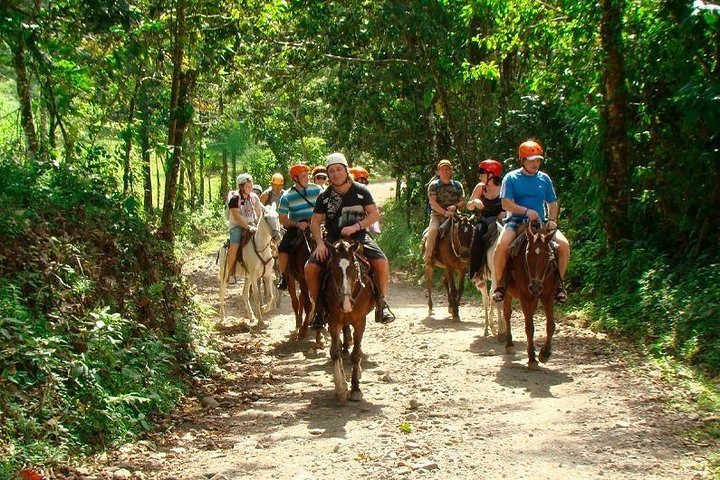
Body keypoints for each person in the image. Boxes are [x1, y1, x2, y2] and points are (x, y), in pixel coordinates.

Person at [305, 152, 395, 328]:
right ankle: (319, 308)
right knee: (310, 268)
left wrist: (356, 227)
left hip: (359, 239)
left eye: (339, 169)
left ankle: (381, 304)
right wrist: (321, 243)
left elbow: (374, 214)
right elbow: (315, 222)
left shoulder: (361, 191)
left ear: (346, 171)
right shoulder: (324, 196)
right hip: (332, 242)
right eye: (331, 171)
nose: (335, 173)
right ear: (328, 174)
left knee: (382, 262)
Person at [492, 140, 570, 303]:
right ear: (523, 160)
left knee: (563, 245)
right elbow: (506, 203)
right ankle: (500, 285)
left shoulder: (544, 179)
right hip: (516, 221)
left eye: (538, 160)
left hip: (540, 223)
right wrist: (526, 211)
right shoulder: (511, 178)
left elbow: (552, 203)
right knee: (501, 246)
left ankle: (559, 285)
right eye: (531, 160)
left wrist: (552, 220)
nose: (536, 163)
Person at [275, 164, 323, 290]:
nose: (307, 178)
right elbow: (282, 219)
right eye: (303, 176)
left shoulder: (318, 189)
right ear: (295, 179)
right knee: (283, 248)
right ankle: (284, 276)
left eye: (307, 176)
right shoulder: (287, 196)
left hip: (318, 224)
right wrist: (297, 224)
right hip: (297, 227)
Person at [466, 159, 505, 286]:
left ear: (492, 174)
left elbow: (512, 202)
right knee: (476, 240)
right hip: (485, 220)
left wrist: (505, 211)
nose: (480, 175)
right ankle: (476, 273)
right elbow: (468, 206)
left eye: (482, 172)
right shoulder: (480, 187)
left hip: (502, 221)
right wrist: (474, 203)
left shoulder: (504, 186)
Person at [424, 159, 466, 265]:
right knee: (433, 230)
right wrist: (444, 212)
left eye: (448, 169)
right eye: (442, 169)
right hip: (438, 215)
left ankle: (469, 258)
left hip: (455, 215)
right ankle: (429, 258)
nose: (445, 171)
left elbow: (462, 202)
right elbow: (432, 203)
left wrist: (455, 207)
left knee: (468, 230)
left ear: (452, 171)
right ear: (438, 172)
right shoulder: (434, 185)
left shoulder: (457, 185)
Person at [225, 173, 263, 282]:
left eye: (251, 186)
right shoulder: (234, 198)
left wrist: (258, 225)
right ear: (241, 186)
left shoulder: (254, 197)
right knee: (235, 246)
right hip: (237, 226)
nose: (250, 188)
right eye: (247, 186)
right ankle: (230, 272)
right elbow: (236, 217)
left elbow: (259, 212)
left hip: (251, 224)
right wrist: (248, 227)